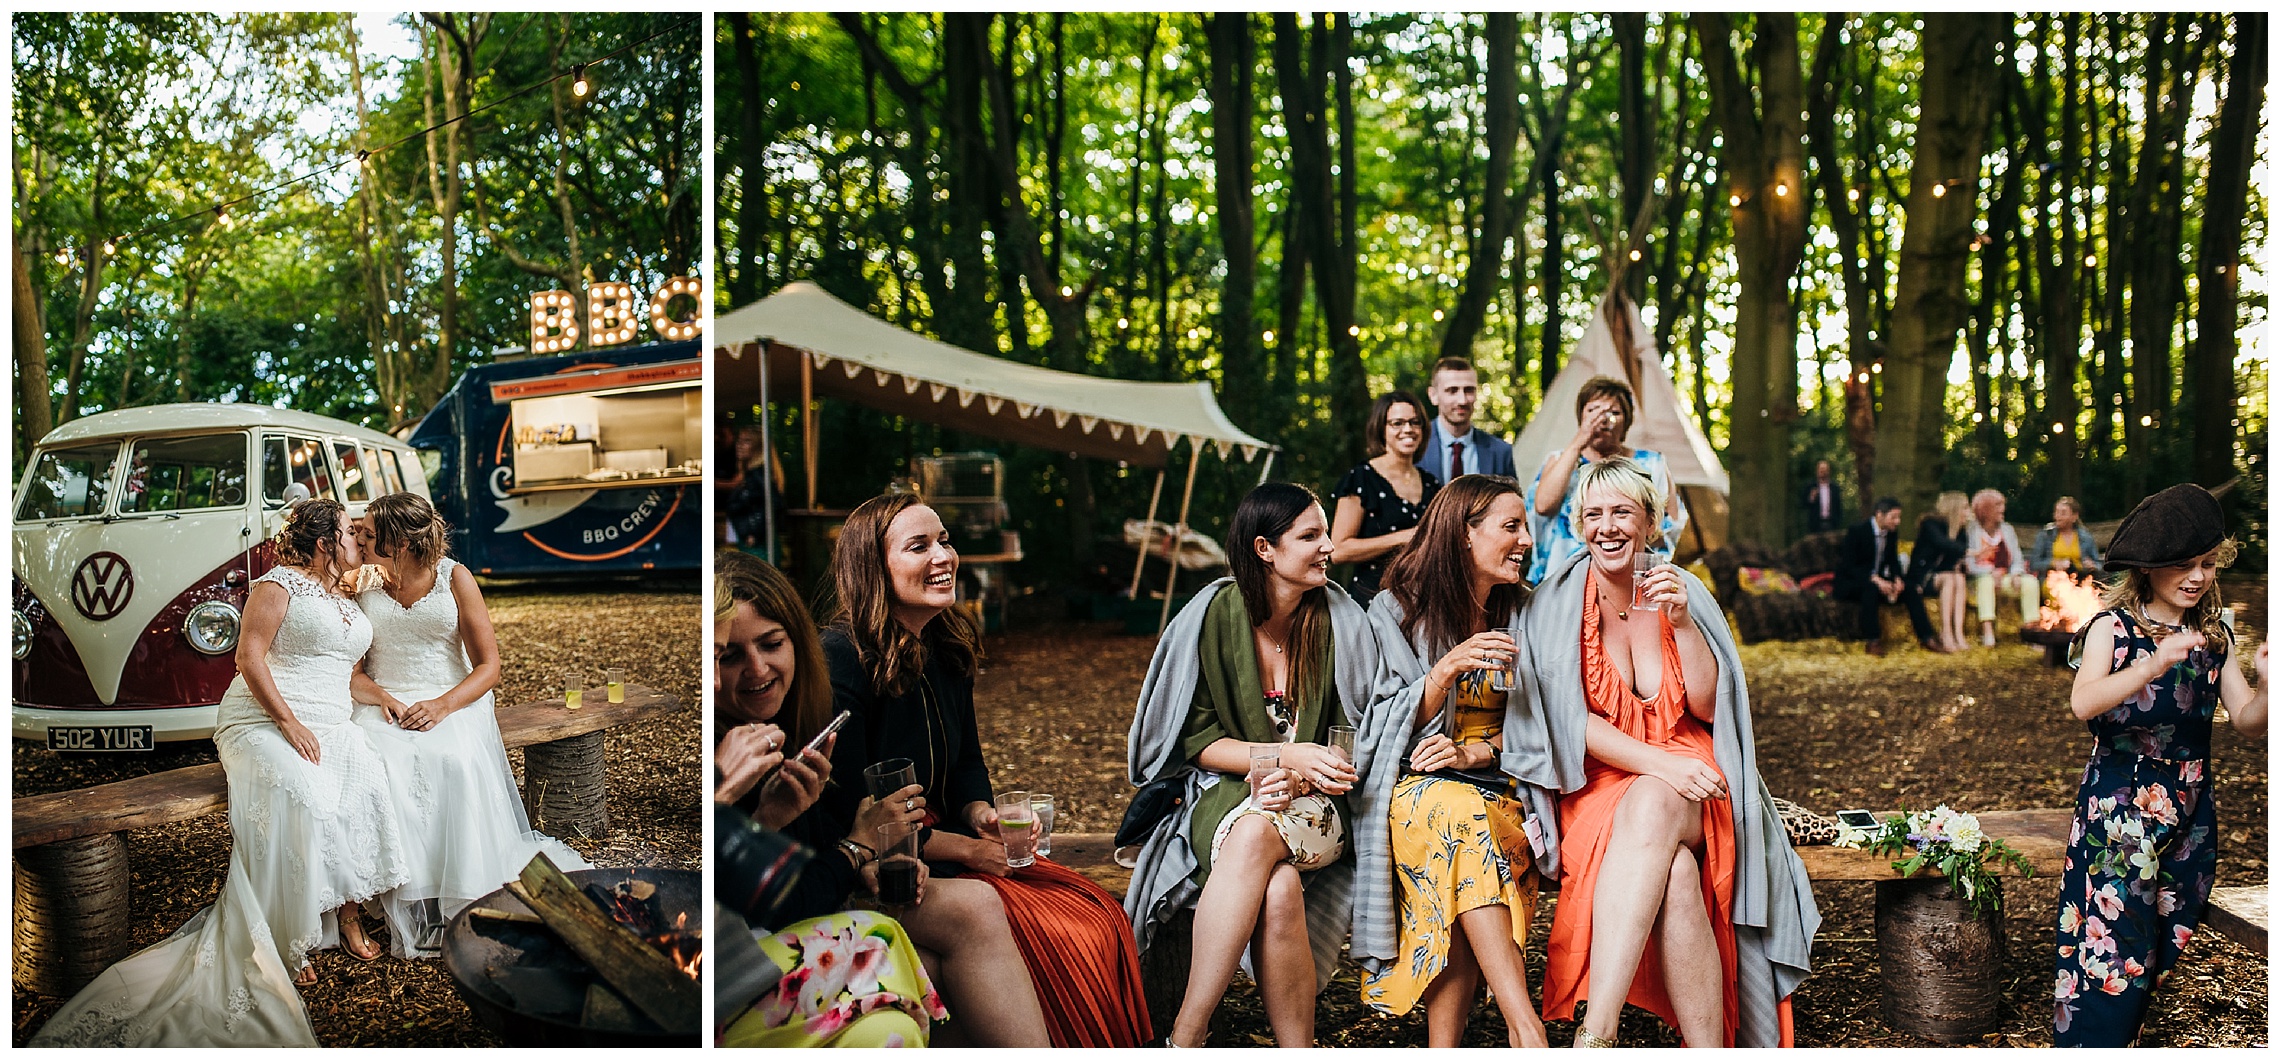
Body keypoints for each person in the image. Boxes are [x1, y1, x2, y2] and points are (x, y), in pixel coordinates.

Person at [32, 500, 409, 1046]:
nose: (361, 541)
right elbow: (249, 659)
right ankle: (285, 937)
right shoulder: (276, 587)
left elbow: (347, 675)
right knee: (302, 793)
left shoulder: (347, 597)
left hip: (333, 723)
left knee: (365, 786)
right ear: (326, 541)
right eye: (351, 533)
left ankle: (347, 917)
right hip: (262, 720)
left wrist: (385, 698)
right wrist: (288, 723)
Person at [821, 493, 1150, 1047]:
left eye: (945, 540)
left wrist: (981, 812)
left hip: (944, 846)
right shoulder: (842, 660)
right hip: (876, 869)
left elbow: (968, 759)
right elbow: (855, 822)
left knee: (1099, 912)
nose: (943, 556)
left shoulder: (946, 647)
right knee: (1055, 928)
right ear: (872, 568)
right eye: (919, 545)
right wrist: (968, 850)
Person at [1522, 457, 1818, 1047]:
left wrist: (1682, 622)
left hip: (1694, 771)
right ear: (1580, 524)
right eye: (1594, 514)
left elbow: (1710, 708)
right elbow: (1565, 723)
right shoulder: (1555, 603)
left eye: (1623, 513)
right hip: (1602, 780)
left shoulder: (1683, 591)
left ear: (1651, 523)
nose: (1607, 527)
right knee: (1677, 874)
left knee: (1657, 805)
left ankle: (1596, 1032)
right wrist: (1661, 765)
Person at [1126, 482, 1392, 1047]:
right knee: (1277, 888)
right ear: (1264, 549)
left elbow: (1355, 738)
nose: (1328, 546)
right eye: (1310, 536)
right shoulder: (1212, 617)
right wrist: (1276, 758)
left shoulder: (1341, 620)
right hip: (1226, 791)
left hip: (1321, 802)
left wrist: (1295, 772)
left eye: (1325, 533)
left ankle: (1186, 1034)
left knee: (1253, 840)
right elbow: (1196, 740)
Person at [2053, 484, 2267, 1047]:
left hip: (2191, 817)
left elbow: (2246, 718)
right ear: (2148, 569)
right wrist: (2152, 664)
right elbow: (2084, 703)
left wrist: (2270, 684)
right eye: (2182, 564)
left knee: (2155, 952)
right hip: (2120, 812)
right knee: (2112, 957)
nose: (2197, 576)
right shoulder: (2111, 628)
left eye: (2206, 563)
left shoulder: (2215, 639)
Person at [1359, 475, 1564, 1046]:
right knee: (1452, 815)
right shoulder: (1394, 611)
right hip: (1413, 792)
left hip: (1506, 791)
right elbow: (1374, 726)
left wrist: (1477, 751)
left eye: (1525, 525)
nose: (1525, 539)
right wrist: (1444, 670)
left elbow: (1552, 729)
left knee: (1463, 830)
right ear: (1463, 534)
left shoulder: (1527, 612)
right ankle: (1526, 1027)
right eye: (1510, 526)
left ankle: (1450, 1046)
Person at [709, 564, 948, 1048]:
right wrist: (855, 848)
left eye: (772, 645)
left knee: (895, 1026)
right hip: (723, 976)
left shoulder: (802, 722)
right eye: (726, 655)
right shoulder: (721, 751)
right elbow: (783, 906)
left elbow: (809, 860)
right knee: (877, 936)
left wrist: (858, 858)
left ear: (798, 641)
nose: (755, 670)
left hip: (785, 934)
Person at [347, 493, 588, 957]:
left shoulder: (455, 578)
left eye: (371, 533)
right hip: (385, 697)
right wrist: (386, 699)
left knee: (451, 757)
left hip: (454, 696)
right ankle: (406, 887)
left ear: (399, 541)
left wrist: (442, 706)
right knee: (380, 760)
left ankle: (461, 883)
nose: (361, 536)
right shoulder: (364, 583)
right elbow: (355, 672)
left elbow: (489, 666)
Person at [1527, 375, 1690, 583]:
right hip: (1564, 578)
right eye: (1593, 411)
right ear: (1581, 418)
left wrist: (1616, 541)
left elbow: (1669, 525)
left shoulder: (1652, 463)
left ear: (1626, 421)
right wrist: (1579, 442)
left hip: (1629, 578)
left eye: (1614, 412)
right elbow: (1542, 506)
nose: (1602, 420)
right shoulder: (1561, 459)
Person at [1331, 390, 1443, 607]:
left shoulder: (1431, 483)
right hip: (1371, 601)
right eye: (1397, 423)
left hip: (1422, 602)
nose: (1408, 429)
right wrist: (1402, 537)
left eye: (1414, 422)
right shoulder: (1362, 478)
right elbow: (1338, 550)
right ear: (1381, 429)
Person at [1833, 497, 1938, 656]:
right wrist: (1875, 579)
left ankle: (1927, 637)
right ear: (1879, 515)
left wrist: (1897, 579)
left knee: (1910, 590)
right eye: (1894, 517)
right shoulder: (1857, 531)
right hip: (1853, 582)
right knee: (1871, 589)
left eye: (1899, 517)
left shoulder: (1891, 533)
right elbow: (1849, 566)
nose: (1897, 521)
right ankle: (1873, 641)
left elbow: (1892, 561)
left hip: (1879, 579)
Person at [1415, 356, 1516, 482]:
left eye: (1469, 390)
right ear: (1433, 395)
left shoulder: (1500, 452)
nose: (1462, 400)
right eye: (1452, 391)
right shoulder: (1415, 445)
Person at [1964, 488, 2040, 647]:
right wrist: (1991, 572)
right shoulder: (1970, 531)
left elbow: (2017, 559)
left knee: (2030, 582)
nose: (2002, 509)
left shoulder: (2007, 529)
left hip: (2005, 578)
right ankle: (1988, 633)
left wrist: (2016, 574)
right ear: (1985, 509)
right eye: (1998, 505)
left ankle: (2031, 633)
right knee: (1986, 582)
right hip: (1977, 581)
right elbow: (1969, 565)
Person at [1909, 491, 1974, 653]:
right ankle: (1946, 632)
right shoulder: (1930, 524)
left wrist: (1961, 564)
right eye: (1965, 507)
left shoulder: (1961, 531)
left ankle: (1958, 633)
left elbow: (1955, 559)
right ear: (1954, 508)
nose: (1968, 512)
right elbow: (1943, 544)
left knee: (1959, 578)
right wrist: (1970, 552)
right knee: (1951, 579)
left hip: (1944, 576)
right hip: (1923, 576)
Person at [2031, 495, 2104, 577]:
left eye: (2063, 513)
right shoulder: (2046, 535)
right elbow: (2034, 563)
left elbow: (2099, 564)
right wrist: (2053, 563)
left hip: (2080, 579)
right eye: (2056, 512)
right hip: (2053, 580)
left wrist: (2092, 565)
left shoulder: (2086, 537)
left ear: (2074, 516)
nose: (2058, 516)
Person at [1801, 460, 1844, 534]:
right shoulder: (1811, 486)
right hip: (1815, 524)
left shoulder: (1834, 488)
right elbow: (1804, 504)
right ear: (1817, 471)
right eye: (1821, 470)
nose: (1823, 473)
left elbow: (1838, 506)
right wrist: (1812, 497)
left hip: (1831, 523)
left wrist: (1837, 521)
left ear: (1828, 471)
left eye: (1825, 470)